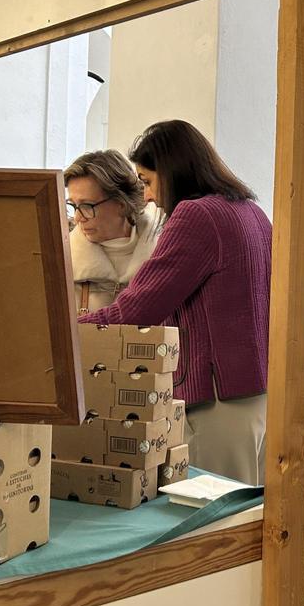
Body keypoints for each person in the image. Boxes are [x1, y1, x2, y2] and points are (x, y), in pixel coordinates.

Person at [79, 121, 272, 485]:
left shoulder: (198, 215)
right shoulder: (252, 212)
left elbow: (137, 309)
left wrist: (66, 328)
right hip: (258, 391)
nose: (148, 197)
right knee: (249, 515)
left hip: (218, 400)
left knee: (213, 518)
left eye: (148, 181)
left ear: (173, 171)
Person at [64, 150, 161, 312]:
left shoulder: (164, 256)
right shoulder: (62, 263)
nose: (78, 218)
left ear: (121, 203)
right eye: (73, 205)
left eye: (87, 205)